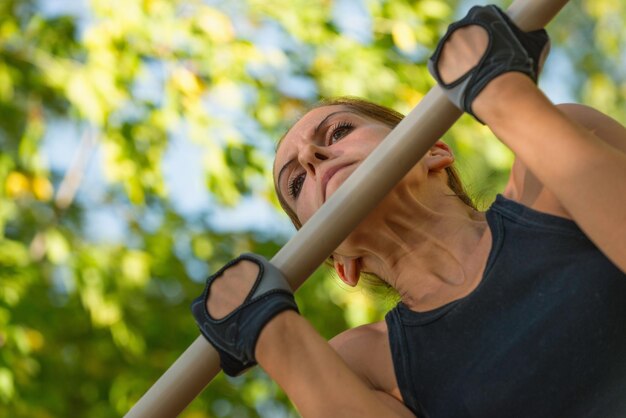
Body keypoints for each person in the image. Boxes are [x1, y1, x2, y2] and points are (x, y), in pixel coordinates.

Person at [191, 5, 626, 417]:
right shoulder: (364, 362)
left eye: (339, 130)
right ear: (340, 265)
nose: (311, 156)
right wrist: (270, 334)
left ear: (435, 150)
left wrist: (505, 98)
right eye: (296, 182)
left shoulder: (546, 176)